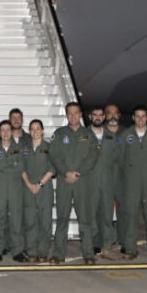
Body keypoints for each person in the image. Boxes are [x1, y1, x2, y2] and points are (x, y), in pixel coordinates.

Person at [49, 102, 98, 264]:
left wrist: (78, 173)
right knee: (62, 219)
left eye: (76, 113)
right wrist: (66, 172)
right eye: (70, 113)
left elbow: (93, 156)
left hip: (82, 182)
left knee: (85, 220)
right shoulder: (59, 134)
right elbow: (54, 156)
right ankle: (59, 254)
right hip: (64, 182)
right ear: (66, 114)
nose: (73, 116)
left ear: (81, 114)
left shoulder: (88, 135)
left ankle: (88, 254)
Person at [116, 105, 147, 260]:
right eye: (137, 116)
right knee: (130, 214)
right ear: (133, 118)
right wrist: (131, 172)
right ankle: (130, 249)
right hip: (132, 181)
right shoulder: (125, 135)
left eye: (143, 116)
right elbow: (121, 157)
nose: (140, 119)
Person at [0, 120, 25, 262]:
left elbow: (20, 168)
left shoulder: (19, 148)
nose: (5, 133)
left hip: (15, 189)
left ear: (12, 131)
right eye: (2, 130)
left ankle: (17, 251)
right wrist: (11, 163)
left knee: (16, 220)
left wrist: (6, 165)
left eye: (8, 129)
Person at [88, 104, 122, 259]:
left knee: (107, 214)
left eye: (100, 115)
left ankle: (107, 245)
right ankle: (93, 244)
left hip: (107, 181)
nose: (97, 117)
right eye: (94, 114)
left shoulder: (111, 136)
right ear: (90, 117)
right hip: (90, 181)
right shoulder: (84, 135)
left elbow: (116, 160)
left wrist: (113, 181)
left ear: (103, 117)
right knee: (91, 214)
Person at [21, 119, 55, 262]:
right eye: (32, 129)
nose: (35, 132)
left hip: (44, 188)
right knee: (30, 221)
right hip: (28, 188)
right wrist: (29, 184)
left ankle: (42, 252)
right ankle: (32, 251)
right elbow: (20, 168)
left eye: (37, 129)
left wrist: (39, 184)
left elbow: (52, 168)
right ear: (29, 131)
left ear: (42, 131)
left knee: (45, 221)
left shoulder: (49, 147)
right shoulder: (24, 148)